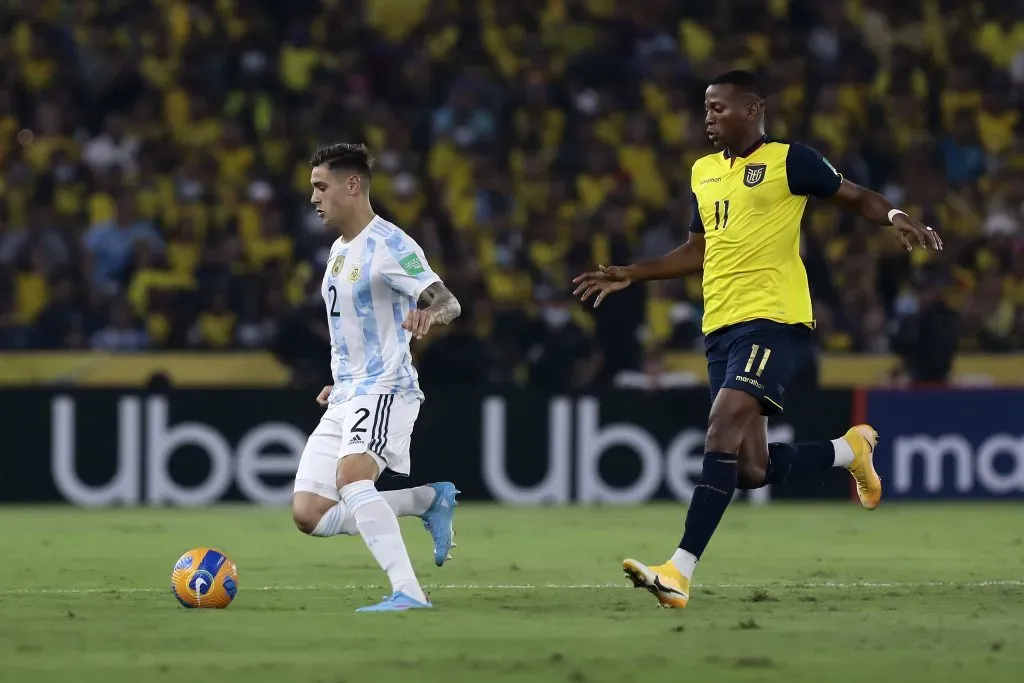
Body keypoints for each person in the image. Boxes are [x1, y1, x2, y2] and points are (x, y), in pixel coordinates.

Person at [571, 71, 943, 609]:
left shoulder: (790, 161)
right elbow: (697, 251)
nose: (709, 118)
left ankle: (678, 571)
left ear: (752, 110)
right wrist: (634, 272)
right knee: (751, 468)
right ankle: (849, 451)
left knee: (720, 428)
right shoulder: (702, 173)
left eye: (719, 108)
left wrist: (893, 215)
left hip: (772, 319)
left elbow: (855, 195)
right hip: (719, 327)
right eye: (705, 110)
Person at [291, 143, 463, 613]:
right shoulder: (337, 251)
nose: (313, 198)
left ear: (352, 185)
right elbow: (351, 328)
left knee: (353, 479)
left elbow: (447, 299)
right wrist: (339, 378)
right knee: (308, 513)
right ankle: (427, 500)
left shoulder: (391, 245)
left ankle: (408, 591)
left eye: (320, 186)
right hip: (348, 391)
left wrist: (431, 315)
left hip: (387, 387)